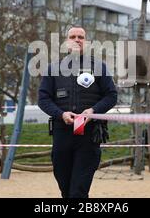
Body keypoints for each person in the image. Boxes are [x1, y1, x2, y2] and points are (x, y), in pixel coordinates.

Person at [38, 26, 118, 198]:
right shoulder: (53, 69)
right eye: (72, 36)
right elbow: (43, 99)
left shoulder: (99, 67)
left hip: (89, 136)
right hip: (62, 134)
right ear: (67, 42)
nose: (76, 40)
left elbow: (111, 96)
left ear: (86, 42)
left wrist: (93, 111)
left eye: (80, 37)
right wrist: (61, 114)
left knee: (78, 191)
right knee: (65, 188)